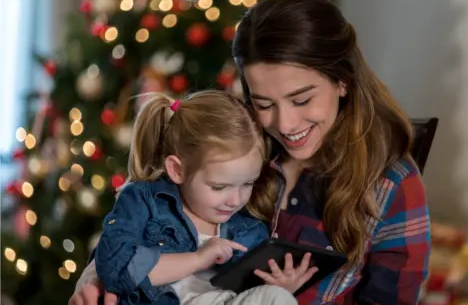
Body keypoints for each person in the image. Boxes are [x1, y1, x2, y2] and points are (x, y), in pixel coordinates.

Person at [70, 0, 430, 305]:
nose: (285, 125)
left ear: (342, 82)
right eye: (264, 103)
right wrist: (93, 275)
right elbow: (146, 216)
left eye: (302, 100)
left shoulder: (391, 185)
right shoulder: (235, 143)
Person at [85, 90, 313, 305]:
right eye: (219, 186)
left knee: (276, 298)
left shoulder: (250, 231)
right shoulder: (144, 202)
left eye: (248, 183)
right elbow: (116, 269)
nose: (235, 200)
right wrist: (196, 259)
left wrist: (280, 287)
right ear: (177, 170)